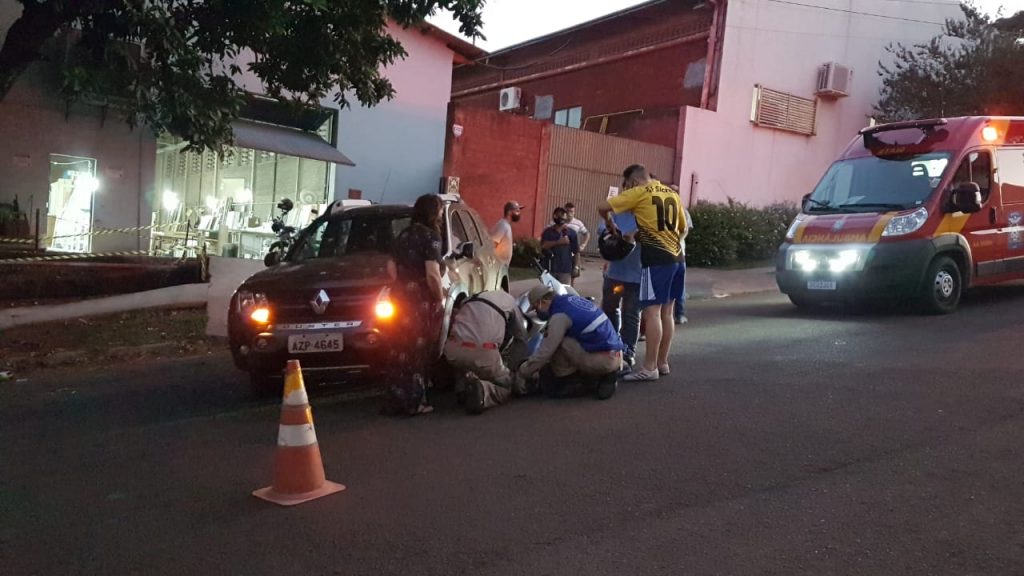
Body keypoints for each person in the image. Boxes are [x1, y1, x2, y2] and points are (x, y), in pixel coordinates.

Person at [598, 164, 686, 382]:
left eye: (627, 185)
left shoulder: (640, 193)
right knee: (667, 312)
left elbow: (602, 207)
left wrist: (612, 225)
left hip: (656, 260)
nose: (625, 189)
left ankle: (649, 367)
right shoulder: (671, 194)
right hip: (677, 259)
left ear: (634, 182)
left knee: (651, 313)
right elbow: (683, 228)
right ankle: (662, 362)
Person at [382, 194, 446, 416]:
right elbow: (432, 275)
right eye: (439, 210)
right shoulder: (432, 238)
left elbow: (391, 271)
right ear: (433, 213)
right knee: (418, 352)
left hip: (399, 299)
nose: (440, 214)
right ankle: (415, 402)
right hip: (420, 303)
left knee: (398, 349)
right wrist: (439, 298)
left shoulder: (402, 235)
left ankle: (395, 399)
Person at [518, 285, 622, 400]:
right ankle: (595, 374)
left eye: (536, 307)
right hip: (613, 351)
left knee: (558, 344)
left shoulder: (559, 316)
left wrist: (523, 372)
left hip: (604, 359)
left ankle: (582, 381)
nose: (537, 312)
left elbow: (545, 351)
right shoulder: (568, 300)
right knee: (565, 339)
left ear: (543, 301)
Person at [444, 290, 530, 414]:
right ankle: (483, 392)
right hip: (483, 352)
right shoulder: (510, 302)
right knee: (506, 385)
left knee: (464, 357)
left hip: (452, 351)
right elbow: (521, 338)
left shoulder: (469, 300)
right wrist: (512, 368)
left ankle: (461, 388)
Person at [597, 187, 642, 370]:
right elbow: (602, 231)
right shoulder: (616, 212)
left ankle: (628, 351)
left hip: (637, 274)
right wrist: (611, 231)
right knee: (610, 309)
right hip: (615, 273)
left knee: (631, 314)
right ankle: (612, 345)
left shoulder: (647, 215)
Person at [540, 207, 579, 285]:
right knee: (548, 294)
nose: (560, 217)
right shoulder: (548, 232)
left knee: (563, 293)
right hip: (549, 269)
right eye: (558, 215)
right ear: (554, 216)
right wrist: (558, 242)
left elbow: (576, 252)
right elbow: (543, 246)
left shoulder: (571, 233)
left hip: (565, 270)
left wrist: (576, 267)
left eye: (562, 215)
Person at [490, 201, 521, 270]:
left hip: (502, 267)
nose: (519, 213)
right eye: (517, 211)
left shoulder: (506, 225)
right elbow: (492, 243)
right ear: (509, 212)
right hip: (497, 268)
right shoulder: (503, 225)